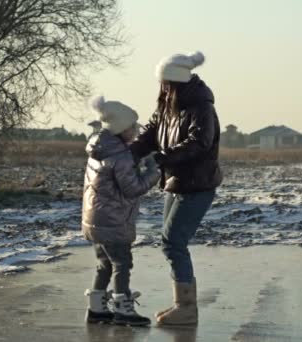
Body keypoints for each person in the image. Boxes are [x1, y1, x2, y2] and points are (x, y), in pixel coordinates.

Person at [129, 51, 222, 325]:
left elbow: (199, 143)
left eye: (165, 83)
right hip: (175, 182)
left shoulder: (201, 107)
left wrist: (161, 158)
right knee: (169, 242)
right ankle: (182, 304)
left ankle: (187, 309)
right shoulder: (166, 107)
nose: (162, 88)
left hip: (197, 184)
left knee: (174, 242)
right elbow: (149, 135)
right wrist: (127, 155)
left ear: (176, 82)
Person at [82, 95, 160, 326]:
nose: (136, 130)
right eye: (132, 126)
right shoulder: (120, 156)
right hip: (113, 220)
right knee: (122, 264)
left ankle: (96, 309)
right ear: (121, 129)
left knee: (104, 263)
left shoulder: (99, 149)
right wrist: (153, 170)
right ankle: (123, 308)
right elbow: (133, 188)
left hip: (95, 219)